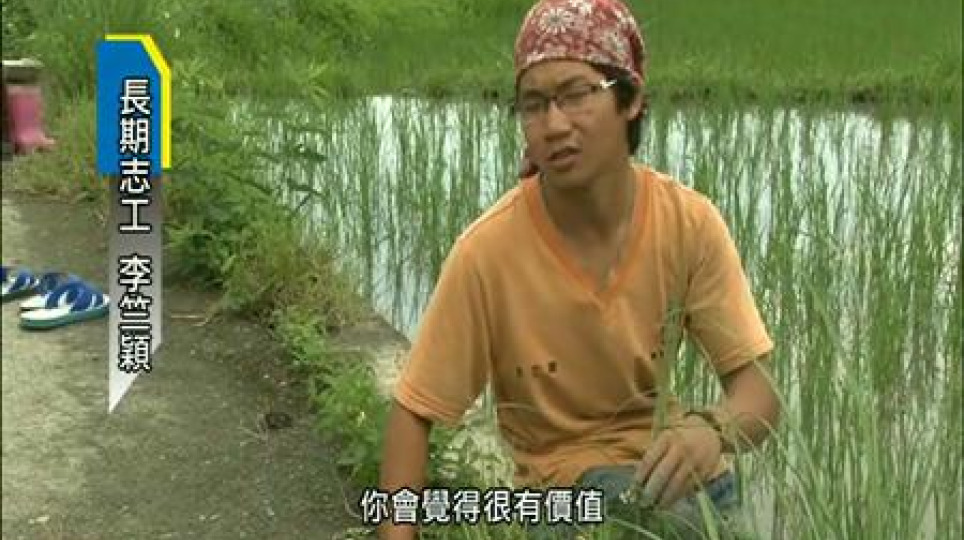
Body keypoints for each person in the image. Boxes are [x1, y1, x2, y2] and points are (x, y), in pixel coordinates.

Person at [378, 0, 781, 538]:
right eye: (534, 104)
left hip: (690, 485)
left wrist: (711, 430)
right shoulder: (488, 253)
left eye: (575, 95)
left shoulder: (688, 224)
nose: (553, 124)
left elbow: (758, 394)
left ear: (630, 99)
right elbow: (415, 411)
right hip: (569, 501)